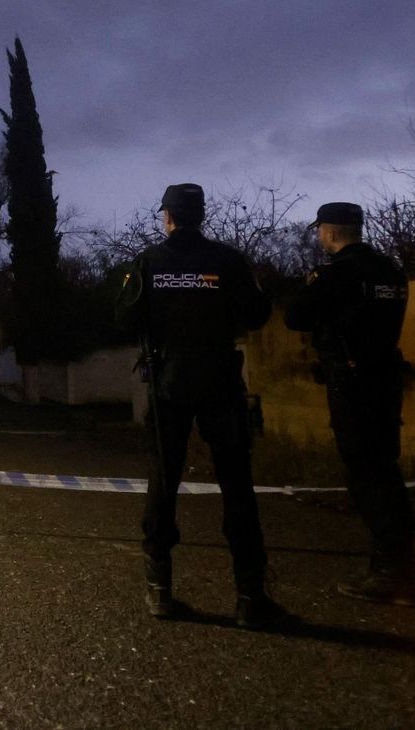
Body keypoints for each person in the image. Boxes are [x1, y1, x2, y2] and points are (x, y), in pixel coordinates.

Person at [116, 183, 286, 628]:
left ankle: (160, 591)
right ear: (201, 216)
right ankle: (250, 596)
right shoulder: (228, 261)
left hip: (170, 385)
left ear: (168, 217)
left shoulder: (149, 263)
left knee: (163, 481)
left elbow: (125, 317)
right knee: (237, 485)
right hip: (220, 383)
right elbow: (256, 313)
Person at [284, 202, 415, 604]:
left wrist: (312, 286)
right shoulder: (390, 271)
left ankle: (392, 572)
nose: (319, 238)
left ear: (329, 231)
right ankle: (403, 562)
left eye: (320, 231)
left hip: (353, 382)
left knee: (366, 476)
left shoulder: (338, 273)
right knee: (386, 471)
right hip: (386, 378)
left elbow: (296, 316)